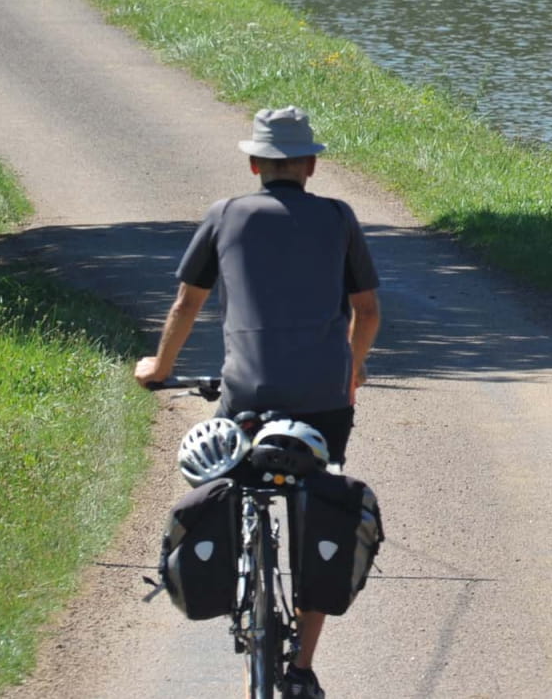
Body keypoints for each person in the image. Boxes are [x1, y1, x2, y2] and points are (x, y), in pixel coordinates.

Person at [134, 106, 381, 699]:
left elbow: (186, 305)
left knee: (233, 484)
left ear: (254, 164)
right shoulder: (338, 217)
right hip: (323, 400)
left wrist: (158, 368)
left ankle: (239, 585)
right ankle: (301, 669)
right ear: (311, 166)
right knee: (318, 501)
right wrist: (352, 372)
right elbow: (367, 312)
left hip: (245, 396)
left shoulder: (225, 216)